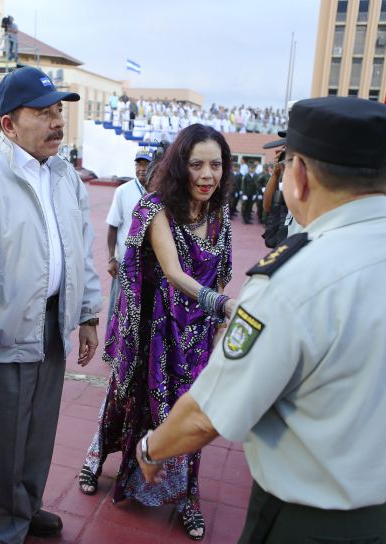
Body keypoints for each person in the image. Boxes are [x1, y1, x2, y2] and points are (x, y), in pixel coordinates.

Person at [135, 96, 386, 544]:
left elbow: (206, 414)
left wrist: (150, 449)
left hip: (311, 521)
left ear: (298, 175)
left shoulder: (291, 280)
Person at [0, 65, 102, 544]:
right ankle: (6, 525)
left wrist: (89, 313)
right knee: (5, 440)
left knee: (39, 433)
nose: (57, 122)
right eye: (43, 113)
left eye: (59, 112)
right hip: (0, 329)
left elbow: (80, 247)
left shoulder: (64, 176)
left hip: (52, 323)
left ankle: (27, 506)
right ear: (8, 123)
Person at [78, 124, 234, 541]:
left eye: (215, 165)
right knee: (128, 399)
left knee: (190, 412)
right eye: (197, 164)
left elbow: (220, 274)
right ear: (179, 165)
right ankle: (96, 457)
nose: (206, 175)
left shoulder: (220, 215)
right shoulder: (156, 208)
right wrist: (223, 305)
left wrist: (216, 324)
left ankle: (186, 495)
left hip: (196, 336)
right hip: (152, 331)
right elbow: (173, 271)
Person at [104, 149, 152, 325]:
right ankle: (113, 351)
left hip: (151, 268)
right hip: (125, 264)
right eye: (139, 164)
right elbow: (113, 226)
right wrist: (111, 258)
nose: (142, 168)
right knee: (117, 314)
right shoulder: (123, 191)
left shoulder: (161, 194)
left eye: (146, 164)